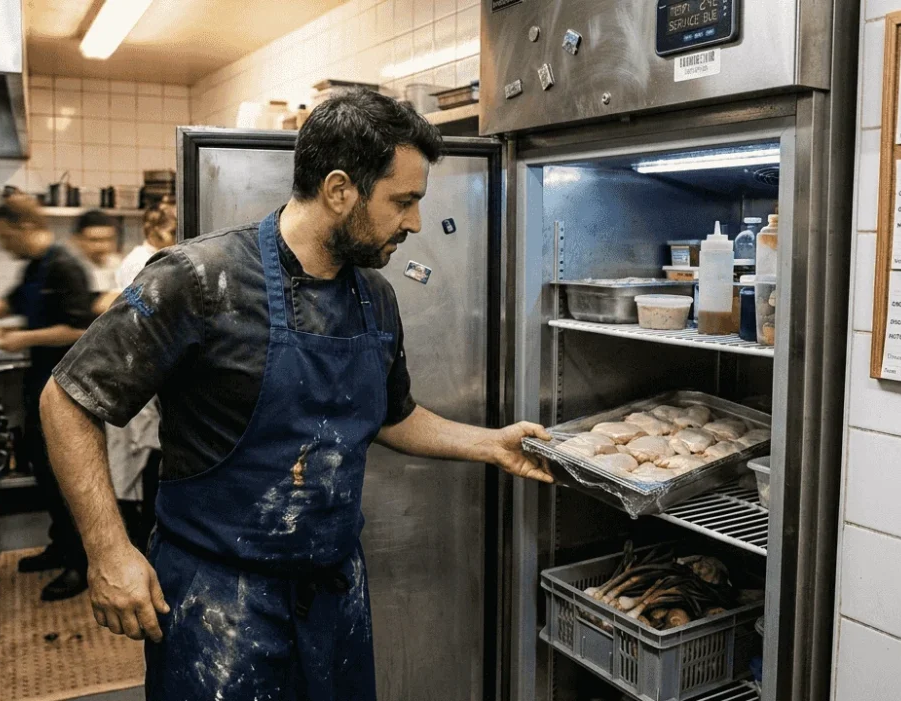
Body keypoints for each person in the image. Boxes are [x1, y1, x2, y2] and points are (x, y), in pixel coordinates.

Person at [39, 90, 552, 701]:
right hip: (216, 600)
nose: (414, 222)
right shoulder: (199, 279)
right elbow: (67, 399)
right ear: (340, 190)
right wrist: (107, 551)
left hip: (332, 595)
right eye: (403, 201)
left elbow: (394, 416)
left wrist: (491, 444)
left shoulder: (375, 297)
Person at [0, 195, 97, 602]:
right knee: (44, 471)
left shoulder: (65, 267)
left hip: (66, 389)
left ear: (25, 227)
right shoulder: (34, 267)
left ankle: (82, 564)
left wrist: (21, 338)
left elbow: (81, 329)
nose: (4, 246)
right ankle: (60, 545)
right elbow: (9, 304)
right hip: (39, 384)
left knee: (67, 478)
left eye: (6, 237)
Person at [96, 203, 178, 550]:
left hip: (143, 378)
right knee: (138, 461)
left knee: (142, 459)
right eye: (174, 231)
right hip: (138, 378)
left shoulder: (149, 257)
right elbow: (143, 320)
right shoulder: (140, 262)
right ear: (157, 230)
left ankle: (142, 538)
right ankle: (137, 544)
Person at [72, 209, 120, 292]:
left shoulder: (120, 265)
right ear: (78, 240)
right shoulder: (69, 270)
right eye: (94, 240)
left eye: (108, 239)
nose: (101, 246)